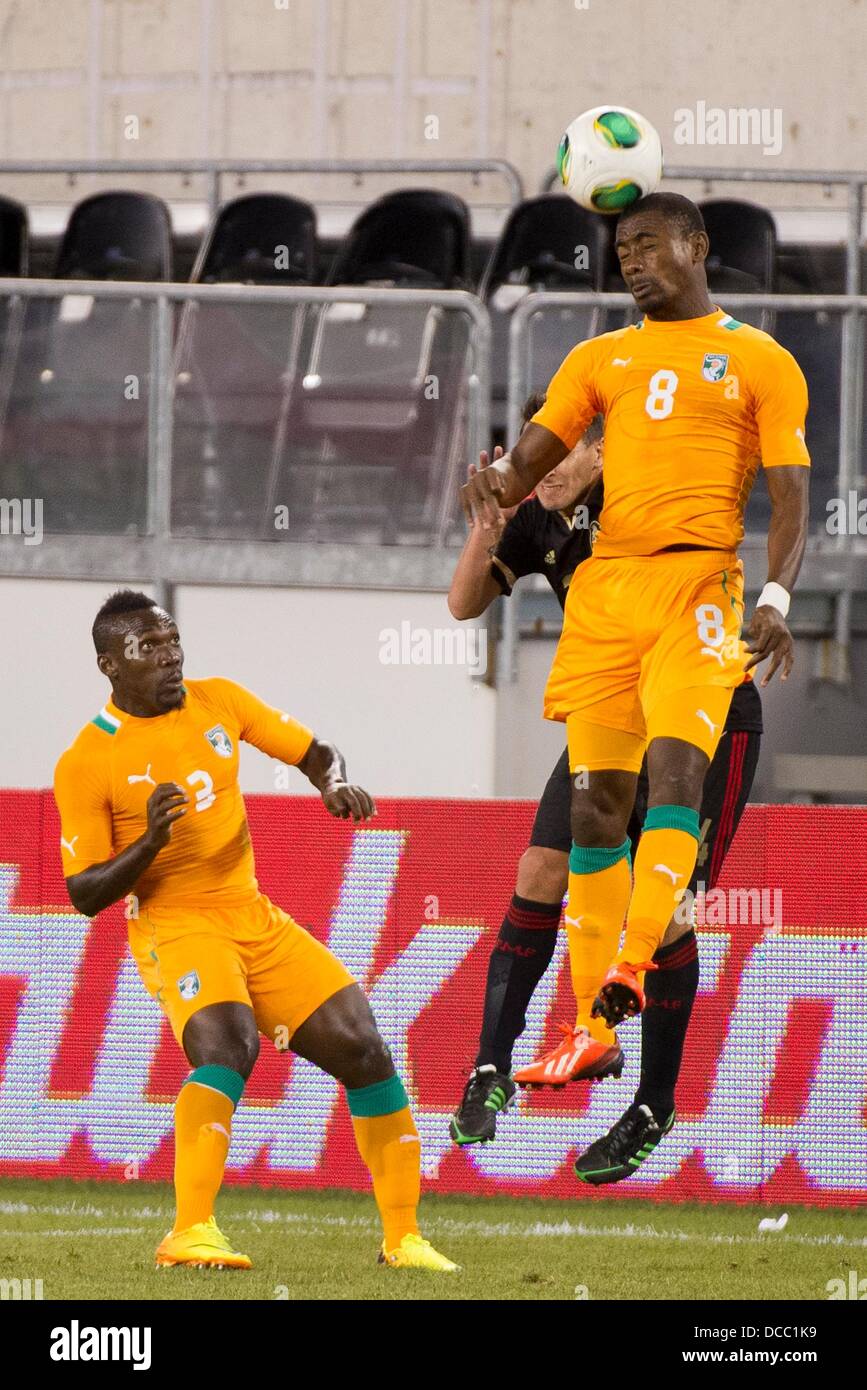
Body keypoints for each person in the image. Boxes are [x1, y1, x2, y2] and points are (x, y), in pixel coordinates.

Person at [459, 192, 809, 1183]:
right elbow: (528, 462)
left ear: (699, 247)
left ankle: (643, 1059)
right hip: (607, 596)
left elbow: (788, 492)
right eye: (622, 250)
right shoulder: (595, 360)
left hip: (700, 583)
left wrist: (778, 592)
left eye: (652, 245)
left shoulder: (758, 359)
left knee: (670, 801)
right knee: (593, 807)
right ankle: (591, 1028)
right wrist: (493, 486)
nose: (635, 263)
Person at [53, 590, 458, 1273]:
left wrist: (332, 784)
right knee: (229, 1045)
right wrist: (150, 841)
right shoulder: (88, 759)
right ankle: (189, 1231)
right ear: (108, 666)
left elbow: (313, 750)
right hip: (176, 925)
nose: (170, 654)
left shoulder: (220, 700)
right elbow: (85, 893)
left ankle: (403, 1239)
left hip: (250, 913)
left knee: (363, 1047)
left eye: (172, 639)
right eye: (148, 648)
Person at [448, 395, 762, 1182]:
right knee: (539, 872)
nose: (545, 471)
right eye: (531, 456)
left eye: (561, 455)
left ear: (601, 451)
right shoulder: (535, 516)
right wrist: (488, 518)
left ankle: (654, 1104)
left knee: (666, 916)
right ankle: (491, 1067)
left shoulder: (644, 497)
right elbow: (460, 605)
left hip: (706, 713)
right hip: (608, 713)